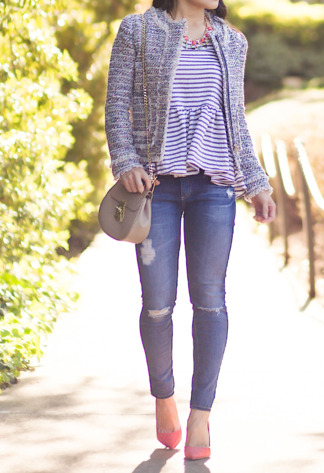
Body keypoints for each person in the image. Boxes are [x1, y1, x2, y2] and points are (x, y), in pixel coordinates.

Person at [104, 0, 276, 461]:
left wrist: (256, 183)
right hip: (154, 189)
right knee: (157, 304)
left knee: (211, 301)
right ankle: (164, 397)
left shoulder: (232, 41)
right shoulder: (138, 31)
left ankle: (201, 413)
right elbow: (117, 105)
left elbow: (235, 119)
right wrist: (125, 162)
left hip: (213, 189)